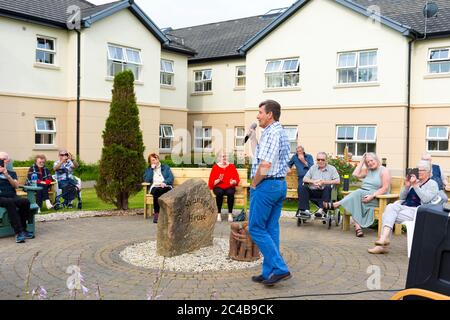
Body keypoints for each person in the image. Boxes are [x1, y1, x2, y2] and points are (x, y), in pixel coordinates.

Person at [248, 99, 292, 287]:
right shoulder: (274, 132)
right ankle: (269, 272)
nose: (257, 116)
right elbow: (259, 155)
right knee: (270, 229)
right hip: (277, 186)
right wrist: (252, 136)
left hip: (266, 186)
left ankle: (280, 268)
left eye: (260, 112)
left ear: (270, 114)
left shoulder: (273, 132)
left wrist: (254, 183)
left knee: (256, 228)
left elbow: (265, 165)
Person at [368, 160, 440, 254]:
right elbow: (402, 197)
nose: (418, 172)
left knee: (387, 214)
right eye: (417, 169)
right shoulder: (415, 181)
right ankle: (384, 239)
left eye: (421, 170)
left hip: (418, 211)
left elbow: (426, 199)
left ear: (428, 172)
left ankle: (383, 243)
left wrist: (415, 186)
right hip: (404, 208)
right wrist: (407, 186)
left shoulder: (432, 184)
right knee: (390, 207)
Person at [326, 153, 391, 237]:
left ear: (376, 160)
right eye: (368, 162)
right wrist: (362, 161)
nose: (370, 163)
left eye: (372, 160)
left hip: (377, 198)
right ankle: (358, 228)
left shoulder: (384, 170)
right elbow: (355, 175)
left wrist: (372, 196)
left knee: (357, 193)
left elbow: (385, 188)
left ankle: (336, 204)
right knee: (356, 198)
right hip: (363, 196)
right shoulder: (368, 170)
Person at [0, 152, 34, 243]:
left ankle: (23, 229)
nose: (1, 161)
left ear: (8, 161)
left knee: (25, 201)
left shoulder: (12, 173)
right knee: (9, 202)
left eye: (3, 159)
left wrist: (7, 175)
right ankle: (19, 232)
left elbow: (16, 186)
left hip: (12, 195)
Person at [296, 152, 340, 219]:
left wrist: (323, 182)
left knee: (327, 187)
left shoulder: (332, 169)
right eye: (318, 159)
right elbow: (305, 179)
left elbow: (337, 181)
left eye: (322, 159)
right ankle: (305, 210)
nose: (320, 161)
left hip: (326, 193)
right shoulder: (313, 168)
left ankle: (321, 210)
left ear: (326, 160)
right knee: (302, 187)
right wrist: (313, 182)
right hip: (313, 191)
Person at [208, 152, 240, 222]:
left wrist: (233, 182)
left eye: (225, 156)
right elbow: (211, 183)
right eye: (223, 156)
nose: (224, 158)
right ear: (219, 158)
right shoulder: (215, 167)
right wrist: (218, 180)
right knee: (219, 192)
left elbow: (237, 179)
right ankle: (219, 213)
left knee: (230, 192)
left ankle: (230, 214)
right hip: (218, 186)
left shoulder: (231, 166)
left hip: (229, 186)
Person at [143, 153, 174, 223]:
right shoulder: (148, 170)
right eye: (153, 160)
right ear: (150, 162)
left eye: (156, 159)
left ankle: (164, 214)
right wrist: (151, 169)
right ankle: (157, 214)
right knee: (157, 191)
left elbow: (171, 177)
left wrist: (165, 182)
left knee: (166, 190)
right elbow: (146, 180)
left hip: (165, 186)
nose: (155, 161)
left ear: (158, 159)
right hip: (155, 187)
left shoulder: (165, 167)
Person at [288, 145, 314, 212]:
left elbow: (312, 168)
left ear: (303, 151)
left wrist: (303, 161)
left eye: (300, 151)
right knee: (301, 188)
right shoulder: (294, 157)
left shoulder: (309, 156)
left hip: (310, 177)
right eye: (297, 152)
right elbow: (289, 164)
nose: (298, 153)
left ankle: (303, 209)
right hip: (301, 178)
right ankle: (304, 209)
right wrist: (288, 169)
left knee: (305, 189)